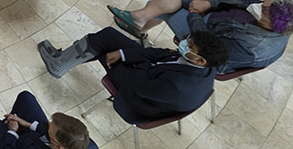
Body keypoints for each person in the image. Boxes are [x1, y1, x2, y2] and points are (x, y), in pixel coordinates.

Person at [107, 0, 293, 75]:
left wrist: (194, 15)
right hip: (214, 19)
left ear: (269, 21)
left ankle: (140, 22)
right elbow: (239, 1)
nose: (258, 4)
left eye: (263, 6)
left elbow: (208, 44)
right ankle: (140, 20)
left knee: (164, 7)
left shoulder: (251, 48)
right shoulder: (270, 14)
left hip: (204, 41)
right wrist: (211, 3)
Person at [37, 27, 230, 123]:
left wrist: (126, 59)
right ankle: (63, 60)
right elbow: (161, 53)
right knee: (108, 36)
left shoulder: (180, 85)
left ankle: (59, 64)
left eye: (190, 45)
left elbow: (139, 86)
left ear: (200, 60)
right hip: (151, 76)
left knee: (103, 51)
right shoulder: (202, 63)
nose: (185, 44)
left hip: (135, 98)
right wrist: (124, 54)